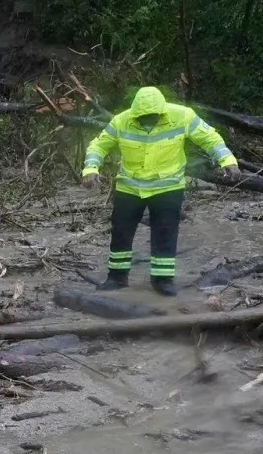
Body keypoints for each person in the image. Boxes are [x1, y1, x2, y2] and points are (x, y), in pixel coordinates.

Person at [82, 86, 241, 296]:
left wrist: (227, 160)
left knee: (165, 233)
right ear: (135, 112)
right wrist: (91, 169)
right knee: (121, 233)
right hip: (130, 187)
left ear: (162, 111)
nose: (147, 120)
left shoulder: (182, 116)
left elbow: (210, 138)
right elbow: (98, 146)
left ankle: (162, 281)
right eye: (142, 117)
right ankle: (116, 278)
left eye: (152, 117)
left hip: (168, 186)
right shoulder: (122, 120)